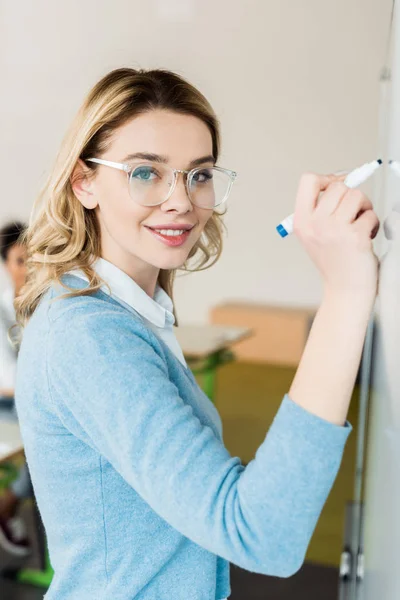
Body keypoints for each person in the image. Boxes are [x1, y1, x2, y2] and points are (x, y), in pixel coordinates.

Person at [14, 68, 379, 600]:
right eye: (146, 173)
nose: (182, 201)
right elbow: (260, 536)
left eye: (199, 174)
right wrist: (347, 293)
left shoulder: (129, 311)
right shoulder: (90, 338)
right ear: (84, 181)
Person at [0, 221, 31, 556]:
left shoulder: (45, 304)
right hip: (7, 402)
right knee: (47, 440)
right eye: (20, 260)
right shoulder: (0, 311)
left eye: (33, 259)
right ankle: (7, 506)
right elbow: (7, 379)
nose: (28, 267)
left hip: (30, 398)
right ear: (6, 264)